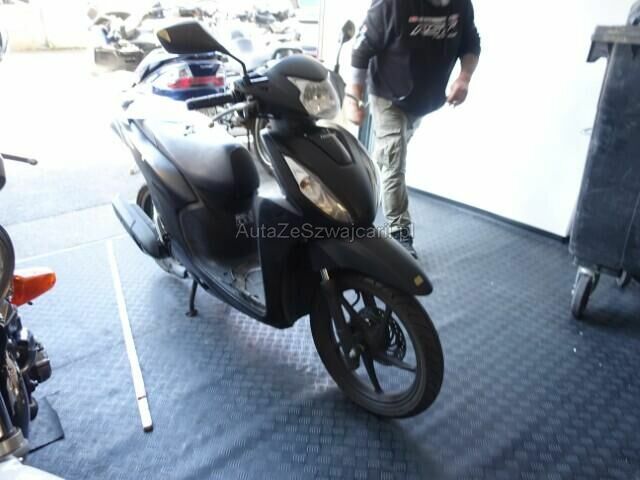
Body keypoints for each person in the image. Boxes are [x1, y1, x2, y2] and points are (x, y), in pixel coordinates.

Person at [346, 0, 481, 258]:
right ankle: (400, 232)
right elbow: (361, 51)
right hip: (388, 96)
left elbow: (471, 43)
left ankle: (362, 187)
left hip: (423, 99)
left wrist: (464, 78)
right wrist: (353, 98)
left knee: (388, 157)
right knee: (394, 158)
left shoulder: (461, 4)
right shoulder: (392, 4)